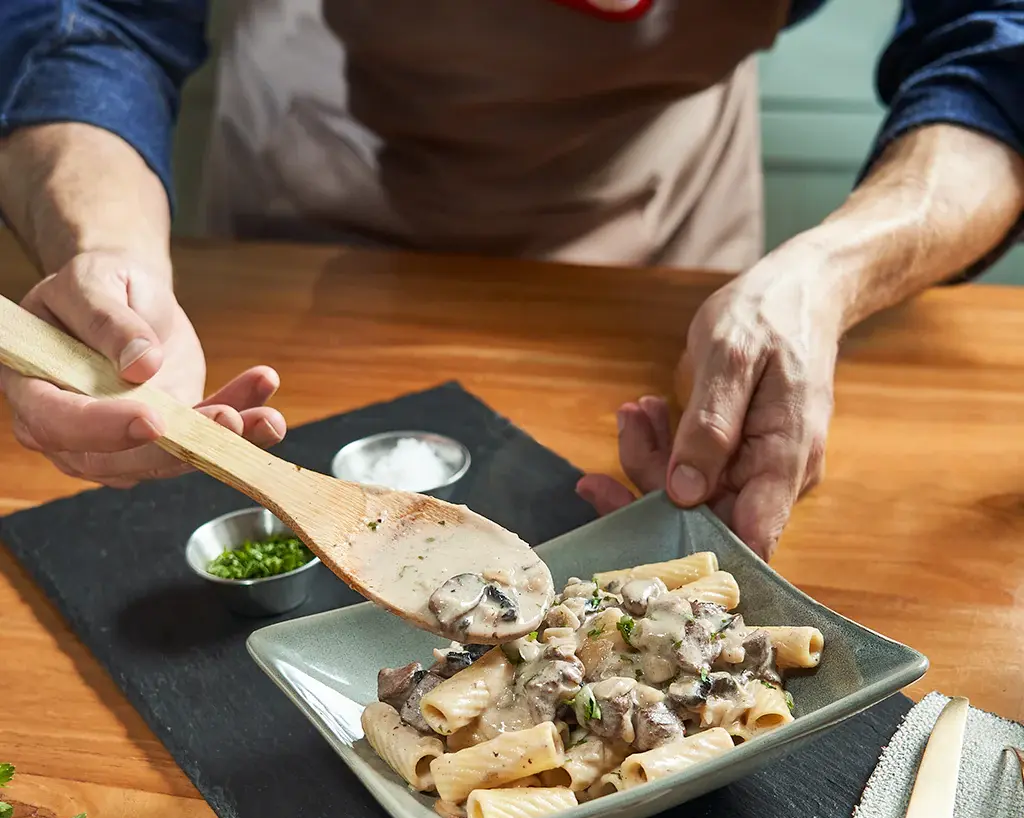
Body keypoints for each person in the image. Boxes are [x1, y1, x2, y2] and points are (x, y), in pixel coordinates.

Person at [0, 2, 1021, 559]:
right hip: (314, 222)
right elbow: (88, 19)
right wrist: (105, 251)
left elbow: (995, 50)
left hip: (673, 248)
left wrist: (825, 276)